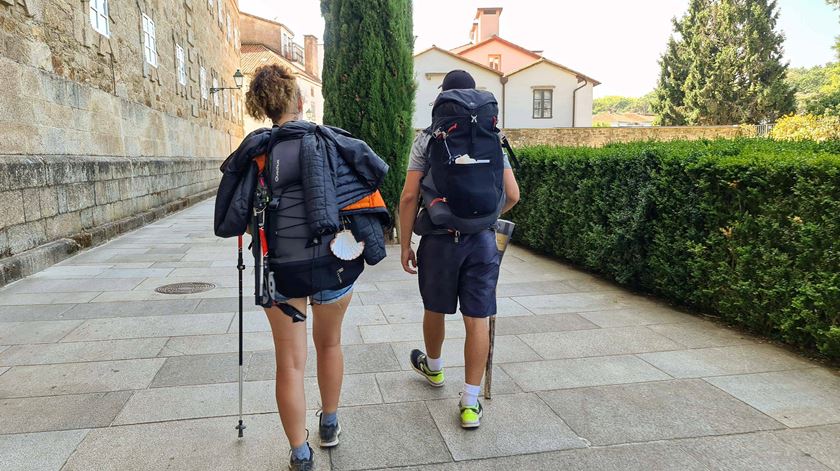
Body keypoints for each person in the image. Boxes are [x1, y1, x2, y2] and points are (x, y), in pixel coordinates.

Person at [218, 64, 389, 470]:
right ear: (298, 101)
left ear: (263, 109)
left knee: (289, 362)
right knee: (329, 344)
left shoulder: (256, 154)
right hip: (334, 263)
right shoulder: (330, 142)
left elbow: (238, 216)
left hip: (281, 273)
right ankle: (329, 423)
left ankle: (299, 453)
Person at [398, 69, 520, 429]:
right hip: (482, 241)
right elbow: (512, 195)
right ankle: (469, 403)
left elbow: (408, 197)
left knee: (435, 307)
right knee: (477, 318)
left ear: (443, 99)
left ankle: (434, 369)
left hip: (438, 238)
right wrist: (482, 218)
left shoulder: (427, 139)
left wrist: (405, 245)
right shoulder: (492, 137)